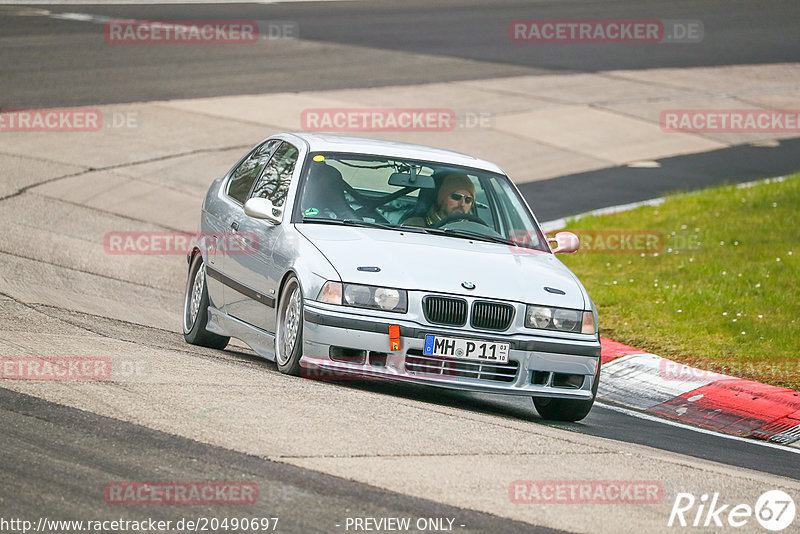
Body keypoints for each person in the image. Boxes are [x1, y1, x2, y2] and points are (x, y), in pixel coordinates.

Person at [403, 173, 476, 227]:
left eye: (468, 199)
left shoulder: (477, 231)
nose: (462, 204)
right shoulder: (414, 225)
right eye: (456, 197)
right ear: (442, 198)